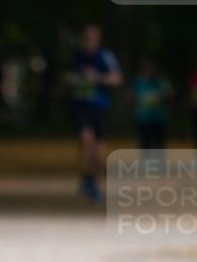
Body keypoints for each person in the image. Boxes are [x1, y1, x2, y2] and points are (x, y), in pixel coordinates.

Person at [69, 24, 122, 201]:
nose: (89, 41)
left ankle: (92, 180)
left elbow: (117, 79)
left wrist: (97, 78)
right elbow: (67, 77)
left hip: (100, 106)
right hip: (82, 106)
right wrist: (75, 79)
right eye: (86, 38)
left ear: (98, 40)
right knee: (86, 138)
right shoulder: (77, 57)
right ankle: (85, 178)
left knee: (98, 149)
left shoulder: (104, 56)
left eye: (93, 38)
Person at [131, 57, 173, 152]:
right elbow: (131, 97)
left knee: (160, 144)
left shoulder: (161, 82)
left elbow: (170, 96)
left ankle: (159, 164)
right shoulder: (138, 82)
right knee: (144, 144)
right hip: (143, 118)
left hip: (159, 118)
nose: (149, 71)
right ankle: (145, 164)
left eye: (151, 68)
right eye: (146, 68)